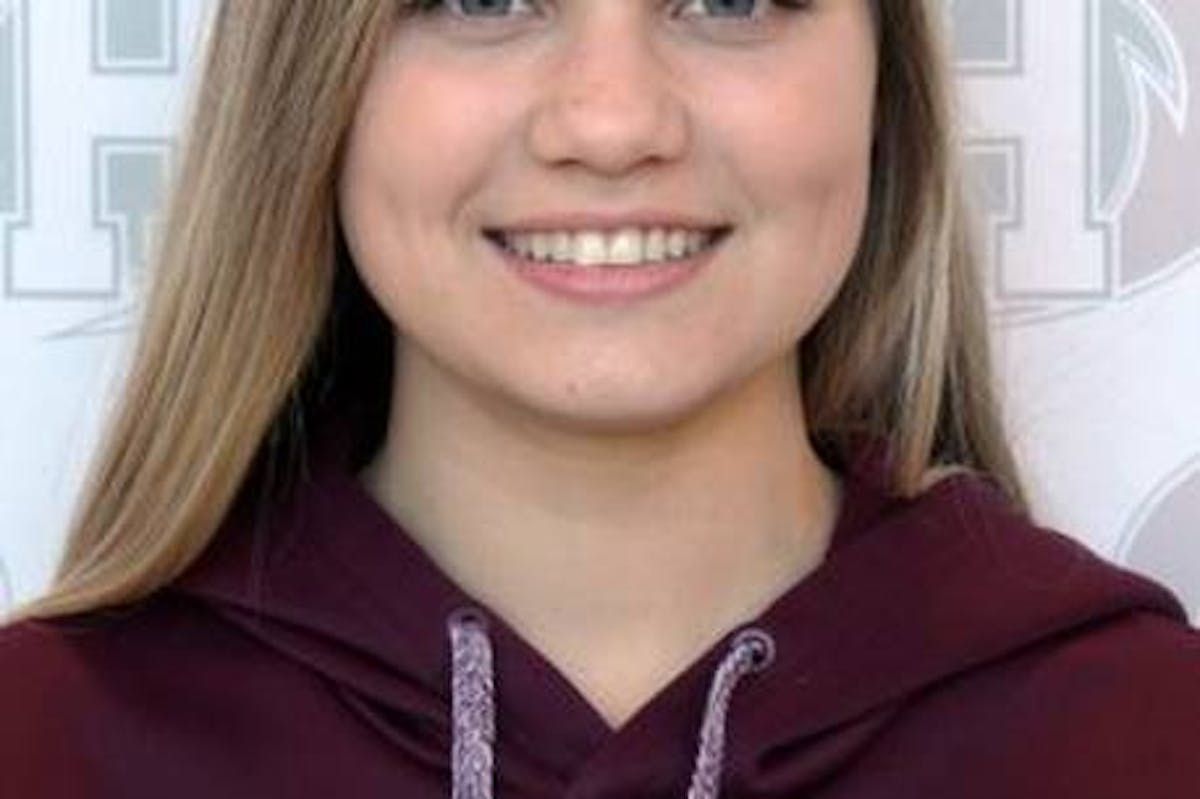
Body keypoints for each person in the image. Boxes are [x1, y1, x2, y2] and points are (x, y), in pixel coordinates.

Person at [2, 1, 1197, 796]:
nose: (613, 123)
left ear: (882, 87)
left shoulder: (1147, 737)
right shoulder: (44, 743)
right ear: (311, 81)